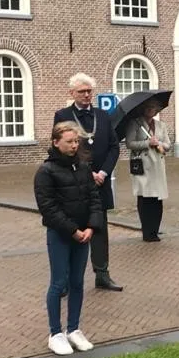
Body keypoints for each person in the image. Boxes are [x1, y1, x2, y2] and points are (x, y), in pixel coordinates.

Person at [34, 122, 102, 356]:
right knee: (58, 283)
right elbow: (48, 208)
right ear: (56, 142)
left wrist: (92, 226)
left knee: (77, 282)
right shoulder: (46, 172)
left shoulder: (83, 167)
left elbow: (94, 198)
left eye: (76, 142)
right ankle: (56, 333)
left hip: (83, 234)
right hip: (61, 235)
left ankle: (74, 329)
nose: (74, 146)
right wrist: (73, 230)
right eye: (69, 142)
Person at [53, 74, 123, 291]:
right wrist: (87, 172)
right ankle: (65, 279)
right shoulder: (63, 115)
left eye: (89, 91)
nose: (86, 95)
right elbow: (60, 147)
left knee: (99, 229)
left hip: (100, 183)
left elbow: (114, 146)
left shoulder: (102, 115)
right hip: (75, 183)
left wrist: (103, 172)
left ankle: (102, 274)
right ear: (72, 93)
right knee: (73, 229)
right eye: (82, 91)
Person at [125, 98, 172, 242]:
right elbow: (130, 143)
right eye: (148, 107)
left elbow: (168, 145)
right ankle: (147, 232)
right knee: (145, 198)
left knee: (157, 199)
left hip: (157, 164)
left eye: (154, 107)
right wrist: (147, 143)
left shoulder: (161, 125)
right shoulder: (135, 123)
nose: (151, 110)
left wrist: (160, 144)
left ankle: (155, 231)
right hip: (143, 166)